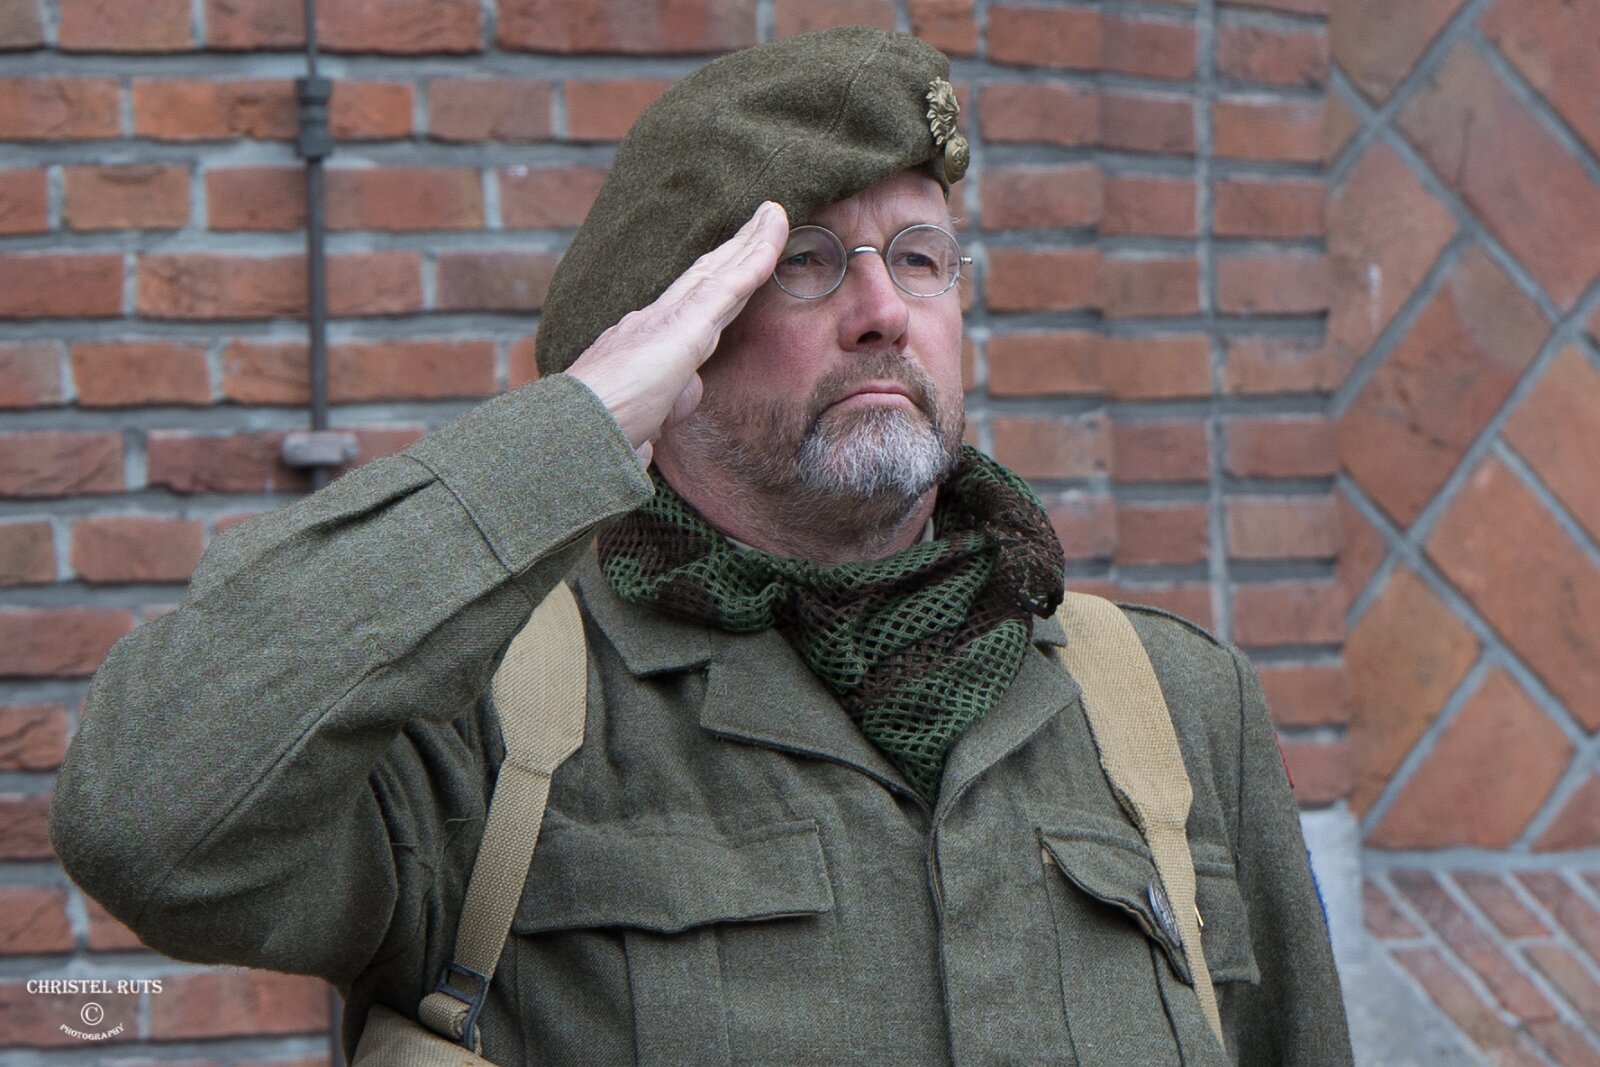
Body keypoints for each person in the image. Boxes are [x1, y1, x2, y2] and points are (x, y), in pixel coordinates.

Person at [50, 27, 1353, 1067]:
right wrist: (575, 430)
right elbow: (150, 821)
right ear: (671, 338)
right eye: (806, 264)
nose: (884, 311)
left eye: (921, 258)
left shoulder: (1172, 707)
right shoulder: (492, 714)